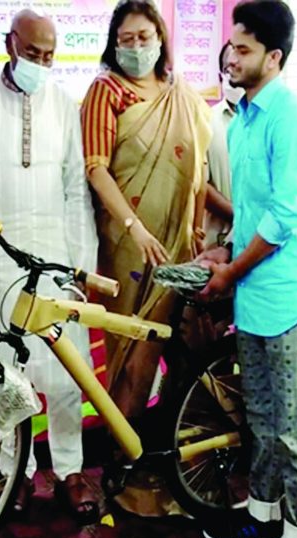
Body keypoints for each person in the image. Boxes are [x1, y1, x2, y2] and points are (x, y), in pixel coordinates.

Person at [0, 9, 99, 524]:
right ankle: (16, 470)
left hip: (54, 255)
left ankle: (71, 469)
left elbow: (76, 186)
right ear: (9, 44)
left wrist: (80, 263)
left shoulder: (63, 103)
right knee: (9, 371)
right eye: (33, 53)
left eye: (50, 55)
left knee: (67, 371)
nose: (41, 63)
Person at [200, 1, 297, 538]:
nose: (232, 56)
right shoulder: (243, 121)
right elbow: (251, 213)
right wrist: (224, 254)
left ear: (273, 57)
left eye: (245, 49)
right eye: (232, 45)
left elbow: (282, 219)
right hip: (253, 297)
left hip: (290, 300)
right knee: (259, 423)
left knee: (294, 431)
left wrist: (231, 272)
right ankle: (261, 521)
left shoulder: (293, 117)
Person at [81, 0, 212, 422]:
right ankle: (124, 456)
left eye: (144, 37)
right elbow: (96, 169)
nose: (136, 46)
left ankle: (165, 448)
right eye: (126, 39)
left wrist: (195, 230)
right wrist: (134, 227)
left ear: (160, 39)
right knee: (132, 349)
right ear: (113, 45)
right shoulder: (107, 91)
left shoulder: (183, 96)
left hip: (179, 245)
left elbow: (198, 169)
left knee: (179, 345)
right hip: (128, 246)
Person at [204, 41, 241, 246]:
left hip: (264, 241)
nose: (235, 72)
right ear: (221, 76)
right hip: (217, 240)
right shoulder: (206, 120)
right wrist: (241, 218)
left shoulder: (272, 120)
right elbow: (201, 183)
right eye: (229, 68)